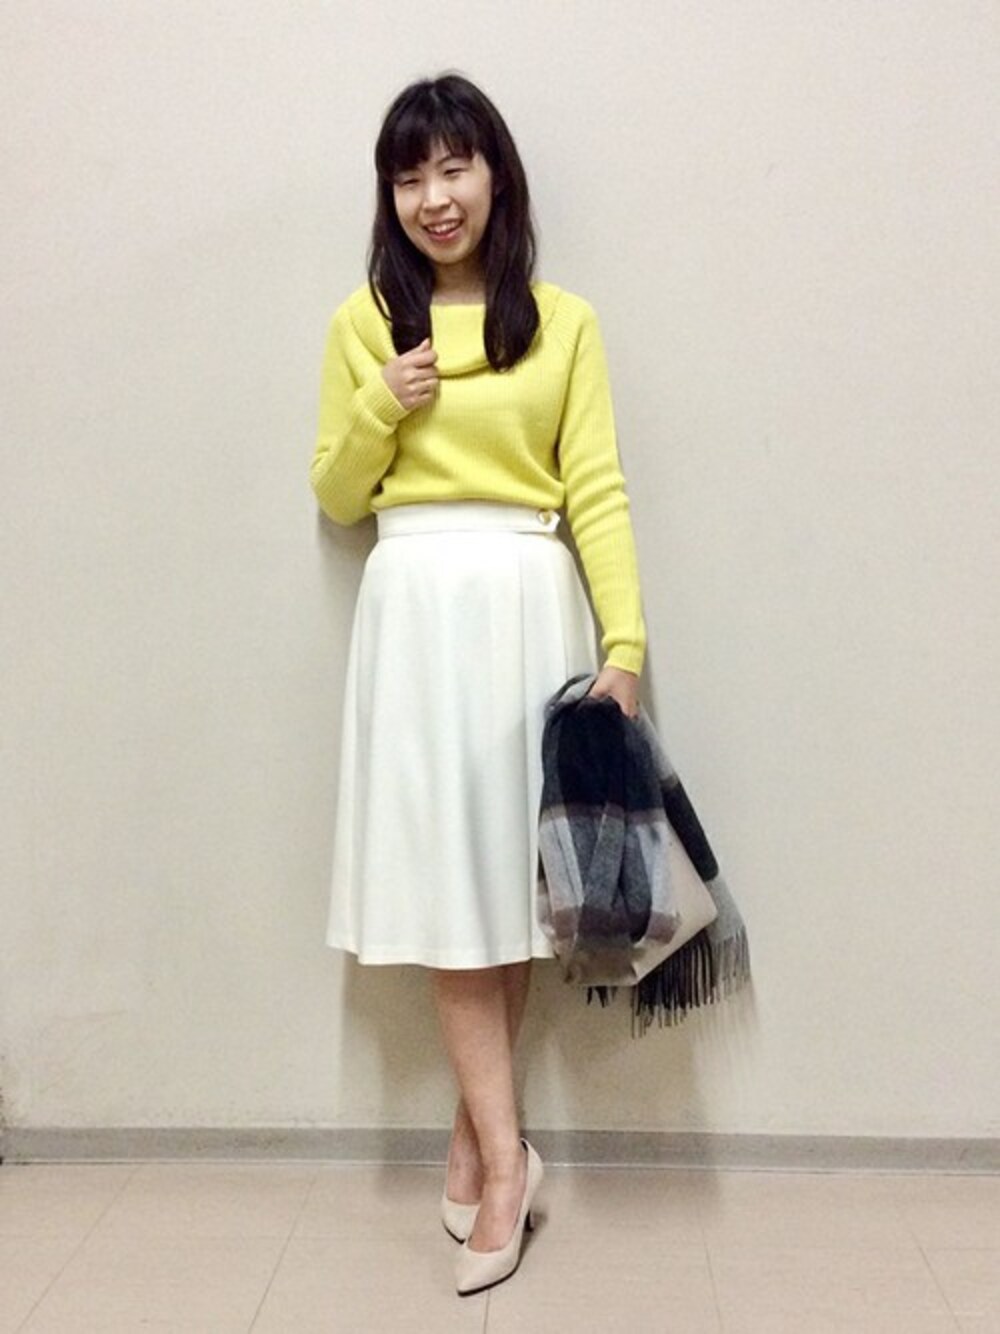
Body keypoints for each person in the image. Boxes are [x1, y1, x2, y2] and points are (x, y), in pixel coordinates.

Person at [308, 71, 648, 1296]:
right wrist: (379, 402)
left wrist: (624, 648)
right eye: (409, 176)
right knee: (449, 881)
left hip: (524, 603)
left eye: (453, 167)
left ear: (496, 175)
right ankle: (508, 1163)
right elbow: (336, 491)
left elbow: (594, 486)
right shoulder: (365, 323)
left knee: (508, 884)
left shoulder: (563, 322)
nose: (434, 197)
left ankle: (475, 1141)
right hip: (414, 609)